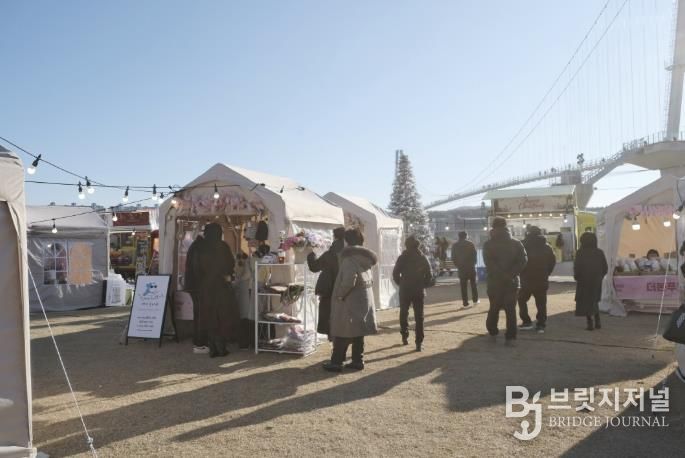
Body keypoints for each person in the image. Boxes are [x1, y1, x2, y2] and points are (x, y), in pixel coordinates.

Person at [324, 228, 378, 372]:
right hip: (363, 298)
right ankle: (357, 360)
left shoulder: (349, 258)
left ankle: (336, 362)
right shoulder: (365, 258)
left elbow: (349, 281)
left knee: (343, 330)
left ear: (347, 241)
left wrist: (340, 295)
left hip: (350, 300)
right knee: (358, 331)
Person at [482, 217, 527, 346]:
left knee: (494, 308)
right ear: (506, 226)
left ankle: (492, 333)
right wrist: (511, 274)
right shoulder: (516, 243)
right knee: (510, 310)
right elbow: (523, 260)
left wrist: (501, 274)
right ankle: (510, 337)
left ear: (493, 227)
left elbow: (489, 263)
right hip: (512, 282)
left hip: (494, 282)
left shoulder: (488, 244)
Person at [197, 223, 237, 357]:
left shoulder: (201, 247)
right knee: (222, 316)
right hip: (221, 285)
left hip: (205, 286)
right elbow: (230, 264)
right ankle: (221, 348)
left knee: (209, 316)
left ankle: (212, 348)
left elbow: (196, 267)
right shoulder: (223, 246)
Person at [392, 235, 433, 351]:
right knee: (419, 316)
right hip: (418, 289)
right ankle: (419, 342)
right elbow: (429, 275)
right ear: (417, 245)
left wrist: (401, 283)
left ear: (406, 245)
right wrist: (423, 284)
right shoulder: (422, 258)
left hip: (405, 289)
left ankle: (404, 336)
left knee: (403, 313)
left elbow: (395, 273)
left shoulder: (402, 258)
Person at [306, 227, 345, 338]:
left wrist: (311, 254)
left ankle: (333, 341)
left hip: (328, 290)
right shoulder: (348, 254)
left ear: (335, 237)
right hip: (344, 289)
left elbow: (314, 267)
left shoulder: (330, 254)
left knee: (329, 317)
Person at [518, 226, 556, 333]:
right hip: (541, 279)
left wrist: (520, 273)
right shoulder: (547, 247)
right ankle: (541, 325)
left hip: (526, 279)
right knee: (541, 303)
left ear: (528, 233)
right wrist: (546, 273)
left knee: (521, 300)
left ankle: (526, 322)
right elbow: (552, 262)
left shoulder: (522, 245)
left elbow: (518, 261)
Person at [574, 232, 608, 331]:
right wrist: (600, 277)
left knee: (586, 301)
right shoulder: (599, 252)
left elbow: (577, 267)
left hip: (583, 280)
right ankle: (597, 321)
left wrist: (577, 277)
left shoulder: (580, 252)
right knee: (594, 300)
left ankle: (590, 323)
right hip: (596, 280)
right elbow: (605, 268)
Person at [185, 234, 208, 354]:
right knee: (201, 313)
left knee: (197, 312)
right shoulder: (200, 247)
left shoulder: (194, 246)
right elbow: (197, 267)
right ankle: (200, 342)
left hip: (192, 285)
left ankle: (197, 339)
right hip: (198, 286)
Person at [451, 231, 479, 307]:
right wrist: (473, 263)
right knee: (473, 284)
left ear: (458, 236)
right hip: (471, 267)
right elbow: (474, 255)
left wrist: (458, 265)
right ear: (466, 236)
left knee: (463, 286)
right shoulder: (470, 244)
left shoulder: (455, 245)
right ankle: (475, 300)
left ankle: (465, 303)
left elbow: (453, 257)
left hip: (461, 268)